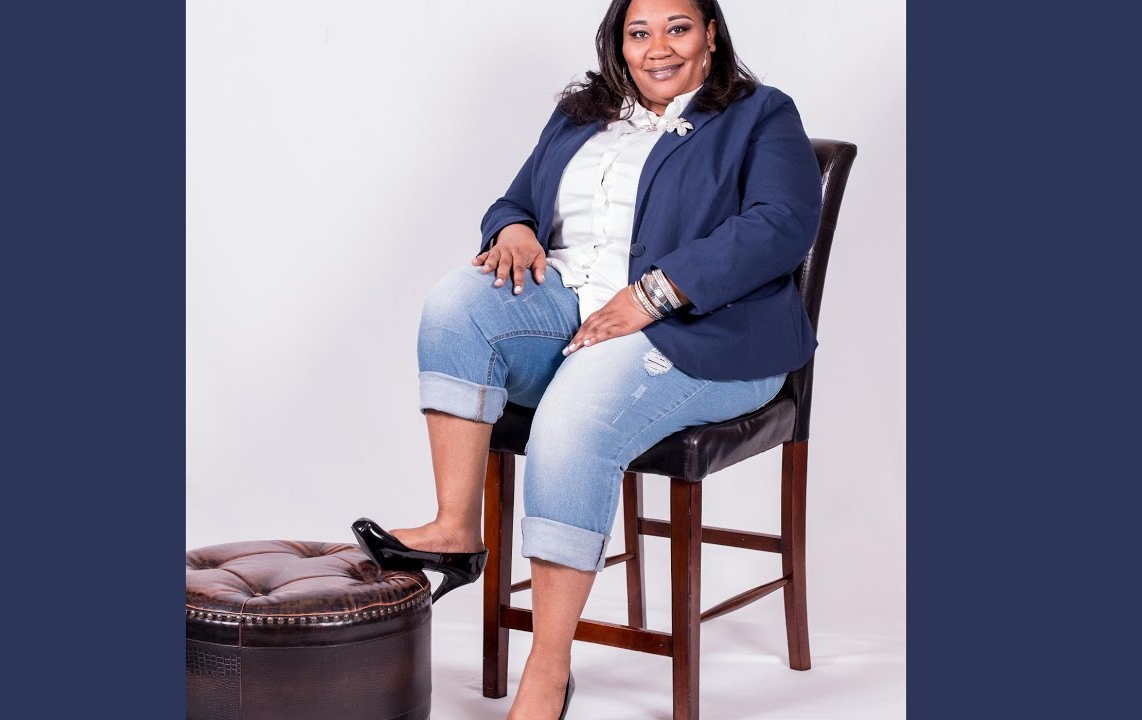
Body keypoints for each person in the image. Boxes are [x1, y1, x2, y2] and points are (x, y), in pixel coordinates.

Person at [352, 0, 822, 717]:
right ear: (618, 42)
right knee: (457, 303)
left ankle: (547, 668)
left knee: (574, 412)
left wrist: (655, 294)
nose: (658, 47)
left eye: (678, 27)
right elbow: (516, 199)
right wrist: (513, 229)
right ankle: (454, 529)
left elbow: (782, 225)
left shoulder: (761, 114)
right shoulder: (582, 112)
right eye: (639, 32)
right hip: (572, 304)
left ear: (710, 33)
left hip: (708, 332)